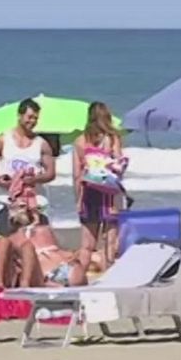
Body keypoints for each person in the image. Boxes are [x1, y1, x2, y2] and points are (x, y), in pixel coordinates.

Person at [0, 98, 56, 236]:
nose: (32, 121)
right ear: (20, 116)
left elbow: (51, 173)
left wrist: (34, 179)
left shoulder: (41, 144)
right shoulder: (3, 140)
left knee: (36, 245)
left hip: (35, 202)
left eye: (36, 118)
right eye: (29, 117)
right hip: (8, 200)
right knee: (6, 242)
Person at [73, 101, 125, 271]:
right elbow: (118, 167)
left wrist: (78, 199)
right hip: (108, 195)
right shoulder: (112, 138)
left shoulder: (80, 141)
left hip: (88, 194)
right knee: (110, 242)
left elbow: (76, 174)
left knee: (87, 245)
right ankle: (109, 277)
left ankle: (79, 279)